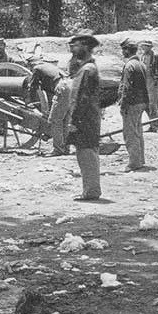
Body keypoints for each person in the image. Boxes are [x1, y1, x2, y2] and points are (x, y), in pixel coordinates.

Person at [66, 32, 102, 201]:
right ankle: (90, 189)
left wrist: (74, 121)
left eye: (76, 46)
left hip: (84, 120)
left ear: (86, 47)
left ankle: (91, 191)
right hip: (88, 118)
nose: (73, 49)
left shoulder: (87, 70)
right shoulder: (87, 68)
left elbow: (81, 99)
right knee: (87, 153)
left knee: (86, 154)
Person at [24, 56, 71, 157]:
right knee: (65, 120)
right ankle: (66, 148)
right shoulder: (48, 66)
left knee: (55, 120)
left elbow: (33, 87)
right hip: (70, 86)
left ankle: (58, 150)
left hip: (61, 88)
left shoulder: (37, 68)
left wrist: (28, 102)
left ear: (31, 64)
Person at [119, 38, 149, 172]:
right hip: (141, 102)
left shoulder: (129, 65)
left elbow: (127, 87)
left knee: (130, 133)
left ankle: (134, 163)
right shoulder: (141, 64)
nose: (122, 53)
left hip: (132, 103)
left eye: (123, 50)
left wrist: (123, 104)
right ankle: (140, 159)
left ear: (127, 50)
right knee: (138, 131)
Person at [138, 40, 158, 132]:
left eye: (145, 46)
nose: (143, 48)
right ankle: (152, 125)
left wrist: (156, 79)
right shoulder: (142, 56)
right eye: (143, 46)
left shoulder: (155, 57)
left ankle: (157, 126)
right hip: (144, 82)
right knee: (145, 105)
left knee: (152, 105)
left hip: (153, 82)